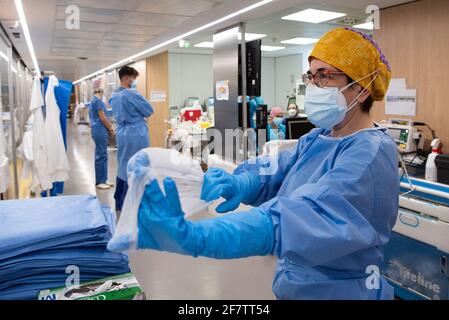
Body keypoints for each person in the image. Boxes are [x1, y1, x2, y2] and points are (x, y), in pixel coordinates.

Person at [110, 28, 398, 300]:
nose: (314, 86)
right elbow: (274, 171)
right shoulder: (319, 138)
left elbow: (304, 218)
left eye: (325, 76)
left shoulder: (370, 153)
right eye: (311, 76)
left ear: (361, 89)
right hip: (294, 285)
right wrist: (239, 181)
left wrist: (200, 237)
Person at [111, 66, 154, 211]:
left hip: (122, 133)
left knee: (123, 163)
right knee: (138, 164)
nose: (134, 81)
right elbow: (149, 110)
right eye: (133, 78)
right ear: (127, 77)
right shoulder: (131, 94)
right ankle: (133, 202)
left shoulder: (115, 95)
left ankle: (119, 199)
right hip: (136, 134)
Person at [89, 81, 114, 190]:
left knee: (102, 154)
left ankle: (104, 179)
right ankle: (100, 181)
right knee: (101, 155)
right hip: (100, 130)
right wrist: (110, 128)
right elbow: (103, 118)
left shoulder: (94, 101)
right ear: (100, 90)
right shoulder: (98, 101)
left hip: (98, 130)